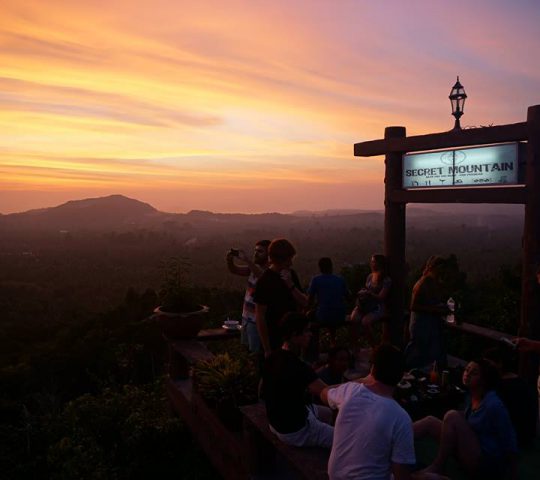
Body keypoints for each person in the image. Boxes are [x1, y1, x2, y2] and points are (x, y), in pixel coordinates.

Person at [320, 345, 416, 480]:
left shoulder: (350, 391)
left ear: (372, 369)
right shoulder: (401, 418)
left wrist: (361, 381)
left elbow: (324, 393)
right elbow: (402, 476)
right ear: (401, 376)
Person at [413, 359, 518, 479]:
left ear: (484, 380)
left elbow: (510, 441)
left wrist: (512, 474)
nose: (467, 374)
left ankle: (438, 466)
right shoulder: (471, 396)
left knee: (452, 416)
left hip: (483, 463)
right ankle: (395, 438)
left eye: (474, 373)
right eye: (467, 370)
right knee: (430, 422)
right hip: (468, 449)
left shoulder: (493, 405)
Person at [262, 312, 333, 448]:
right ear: (294, 335)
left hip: (276, 423)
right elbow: (328, 393)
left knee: (328, 414)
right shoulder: (297, 366)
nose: (310, 334)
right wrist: (358, 383)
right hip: (296, 431)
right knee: (345, 439)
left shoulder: (273, 357)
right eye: (306, 331)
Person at [253, 238, 308, 357]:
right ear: (279, 260)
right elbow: (260, 316)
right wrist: (267, 349)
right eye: (289, 260)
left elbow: (305, 302)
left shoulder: (291, 275)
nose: (291, 263)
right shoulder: (265, 281)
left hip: (293, 339)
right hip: (274, 340)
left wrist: (290, 284)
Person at [483, 346, 538, 447]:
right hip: (527, 436)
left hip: (513, 439)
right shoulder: (520, 382)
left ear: (499, 364)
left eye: (488, 364)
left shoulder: (500, 387)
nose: (485, 368)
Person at [405, 256, 449, 369]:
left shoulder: (434, 282)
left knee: (427, 355)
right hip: (420, 324)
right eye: (440, 268)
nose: (442, 271)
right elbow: (413, 306)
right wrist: (437, 310)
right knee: (415, 353)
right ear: (433, 268)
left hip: (429, 325)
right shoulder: (423, 283)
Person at [226, 240, 270, 352]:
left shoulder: (270, 273)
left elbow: (263, 278)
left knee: (256, 353)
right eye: (255, 250)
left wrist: (247, 260)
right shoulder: (252, 269)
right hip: (246, 318)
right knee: (247, 352)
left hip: (257, 322)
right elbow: (234, 270)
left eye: (260, 251)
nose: (256, 253)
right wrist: (229, 259)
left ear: (269, 255)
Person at [350, 254, 391, 347]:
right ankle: (355, 347)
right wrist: (363, 292)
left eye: (373, 261)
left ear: (379, 263)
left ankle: (374, 347)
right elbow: (366, 289)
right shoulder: (370, 276)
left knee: (365, 322)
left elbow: (381, 297)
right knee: (353, 319)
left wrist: (369, 294)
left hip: (376, 307)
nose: (371, 263)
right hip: (364, 305)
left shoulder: (386, 280)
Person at [308, 257, 350, 347]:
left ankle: (313, 346)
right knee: (331, 311)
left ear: (320, 268)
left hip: (324, 316)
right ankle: (333, 343)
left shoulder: (316, 280)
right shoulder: (340, 279)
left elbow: (310, 300)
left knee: (311, 316)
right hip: (340, 315)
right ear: (331, 267)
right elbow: (348, 297)